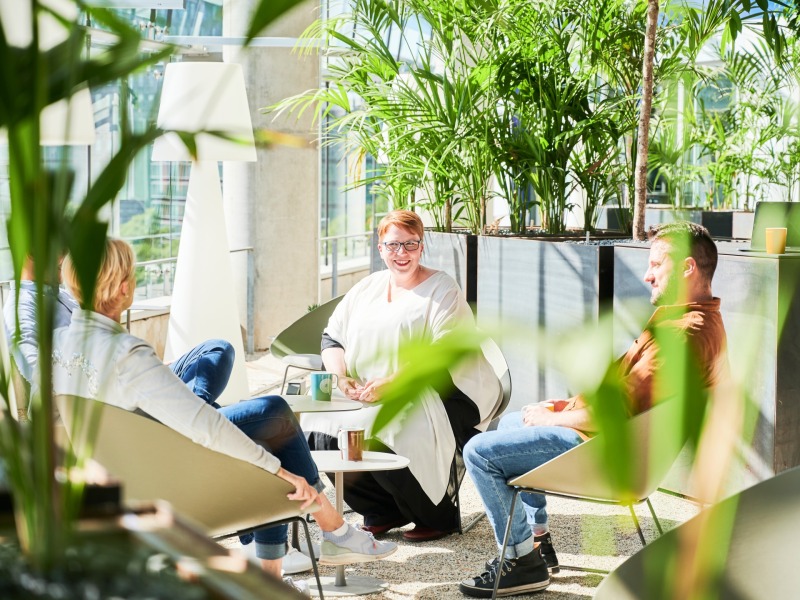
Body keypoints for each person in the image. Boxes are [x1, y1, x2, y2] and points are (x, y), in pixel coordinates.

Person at [52, 238, 397, 581]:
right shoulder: (127, 354)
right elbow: (205, 427)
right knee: (272, 416)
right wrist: (282, 473)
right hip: (173, 479)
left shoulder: (57, 347)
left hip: (119, 482)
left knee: (248, 418)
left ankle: (280, 572)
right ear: (125, 287)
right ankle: (333, 529)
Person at [458, 221, 728, 597]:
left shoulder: (682, 337)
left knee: (478, 453)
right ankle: (536, 542)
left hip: (608, 452)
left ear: (687, 268)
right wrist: (563, 406)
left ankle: (523, 563)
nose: (648, 276)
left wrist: (555, 418)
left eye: (657, 265)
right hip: (609, 439)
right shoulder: (689, 320)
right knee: (510, 422)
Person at [302, 210, 503, 541]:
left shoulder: (442, 289)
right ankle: (382, 509)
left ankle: (435, 514)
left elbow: (443, 351)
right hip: (368, 389)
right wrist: (340, 378)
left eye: (411, 244)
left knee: (391, 427)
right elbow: (332, 338)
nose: (402, 253)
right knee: (319, 432)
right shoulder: (367, 287)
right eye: (393, 245)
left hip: (445, 390)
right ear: (380, 247)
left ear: (421, 246)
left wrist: (394, 382)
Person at [3, 256, 235, 410]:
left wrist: (148, 367)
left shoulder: (62, 295)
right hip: (115, 396)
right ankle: (192, 419)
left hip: (134, 380)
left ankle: (188, 416)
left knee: (217, 350)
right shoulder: (22, 305)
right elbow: (34, 367)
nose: (65, 257)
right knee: (269, 410)